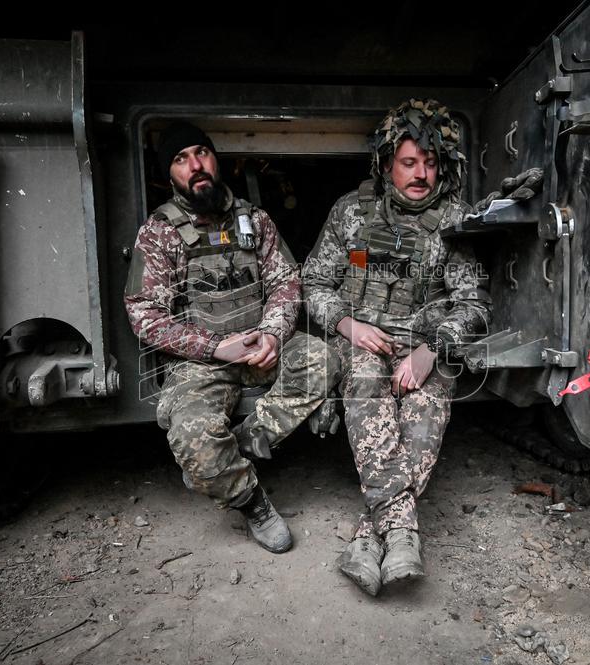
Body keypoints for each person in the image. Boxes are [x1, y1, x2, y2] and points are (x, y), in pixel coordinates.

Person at [302, 99, 490, 594]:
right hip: (362, 341)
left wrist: (432, 350)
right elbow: (314, 283)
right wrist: (347, 325)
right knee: (366, 386)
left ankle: (371, 536)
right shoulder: (351, 212)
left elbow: (473, 304)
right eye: (409, 163)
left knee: (422, 414)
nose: (421, 174)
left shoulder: (453, 222)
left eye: (430, 164)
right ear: (388, 165)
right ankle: (403, 532)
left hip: (425, 345)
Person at [125, 121, 338, 554]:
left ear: (215, 159)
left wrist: (274, 334)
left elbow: (285, 282)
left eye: (201, 152)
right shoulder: (161, 233)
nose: (195, 165)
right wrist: (214, 347)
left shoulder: (254, 221)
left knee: (325, 359)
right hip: (201, 362)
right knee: (194, 442)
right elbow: (144, 314)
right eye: (181, 159)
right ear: (171, 175)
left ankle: (244, 444)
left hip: (260, 348)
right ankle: (252, 501)